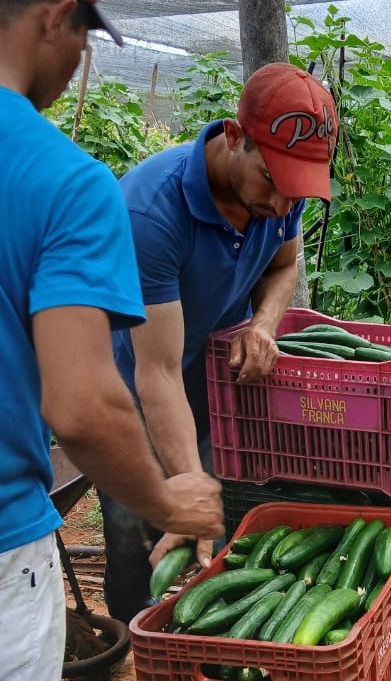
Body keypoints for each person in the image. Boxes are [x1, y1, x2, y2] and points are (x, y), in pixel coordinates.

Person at [0, 1, 224, 678]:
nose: (79, 63)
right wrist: (168, 500)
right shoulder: (67, 183)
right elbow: (84, 406)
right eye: (86, 40)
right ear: (55, 15)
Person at [102, 62, 340, 624]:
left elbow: (285, 265)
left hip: (208, 380)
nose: (285, 206)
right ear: (234, 138)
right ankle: (134, 636)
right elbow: (155, 373)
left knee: (215, 514)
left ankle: (201, 633)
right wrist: (183, 486)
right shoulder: (149, 214)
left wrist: (263, 324)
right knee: (138, 529)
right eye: (273, 184)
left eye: (297, 191)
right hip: (130, 388)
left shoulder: (284, 189)